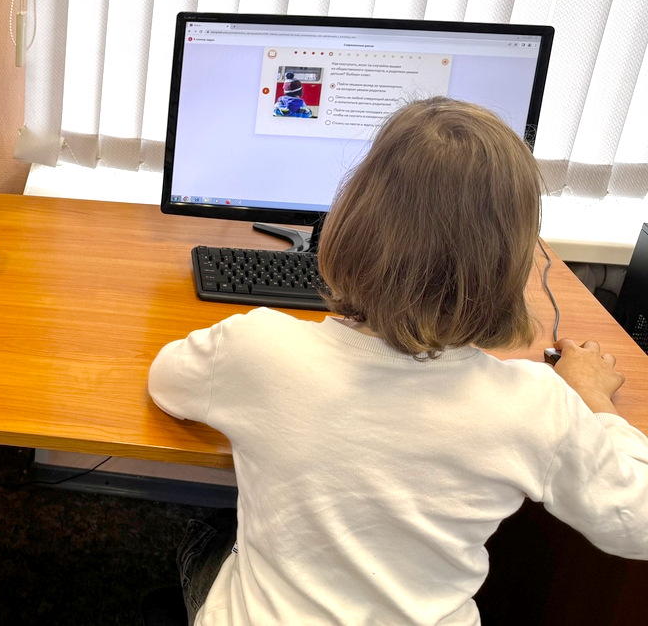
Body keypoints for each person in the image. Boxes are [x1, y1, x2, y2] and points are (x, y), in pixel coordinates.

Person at [149, 97, 648, 625]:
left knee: (211, 532)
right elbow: (637, 521)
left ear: (352, 218)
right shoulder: (537, 406)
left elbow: (167, 381)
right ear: (513, 257)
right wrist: (590, 398)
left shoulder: (256, 346)